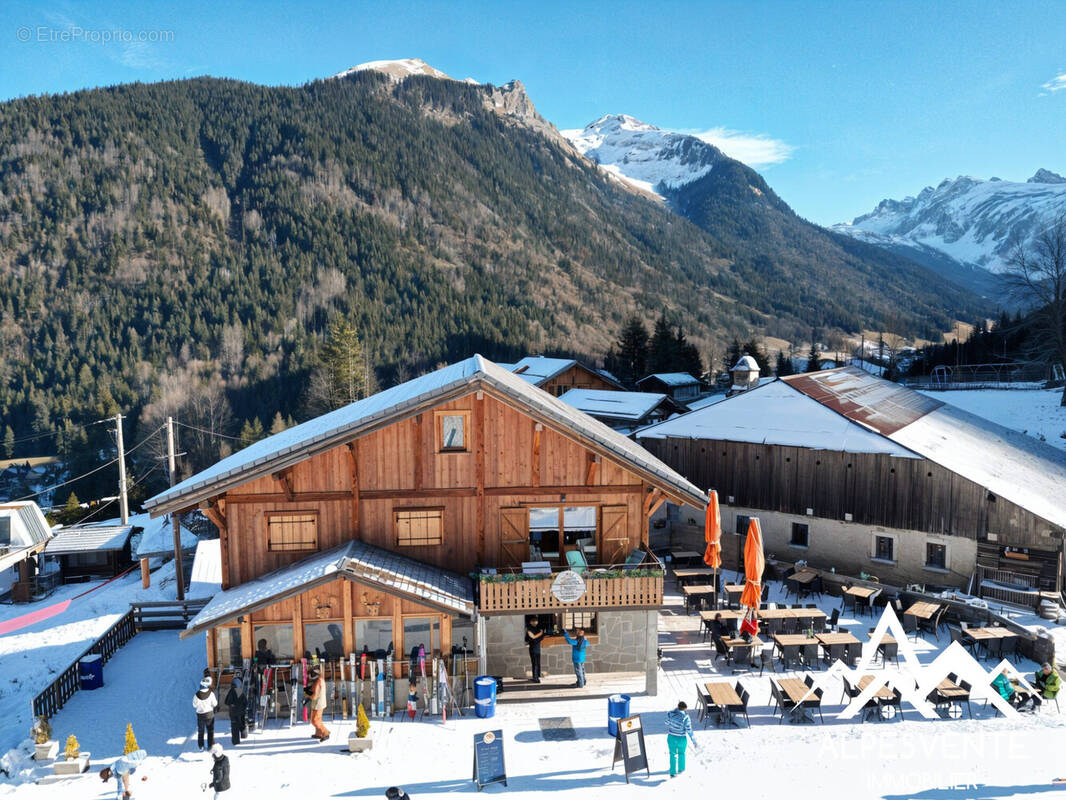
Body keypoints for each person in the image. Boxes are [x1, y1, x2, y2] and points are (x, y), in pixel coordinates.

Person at [665, 701, 697, 777]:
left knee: (672, 754)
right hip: (681, 738)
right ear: (685, 709)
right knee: (681, 753)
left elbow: (666, 723)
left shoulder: (670, 714)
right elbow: (689, 730)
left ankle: (672, 772)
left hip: (671, 737)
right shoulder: (686, 717)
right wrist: (693, 740)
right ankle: (681, 769)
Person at [194, 676, 218, 750]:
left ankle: (201, 746)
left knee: (200, 731)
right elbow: (215, 704)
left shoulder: (197, 694)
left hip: (200, 715)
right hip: (209, 715)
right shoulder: (211, 694)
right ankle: (210, 746)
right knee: (210, 731)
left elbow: (194, 705)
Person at [224, 676, 248, 745]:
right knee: (242, 723)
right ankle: (244, 735)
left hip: (233, 713)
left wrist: (232, 704)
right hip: (241, 712)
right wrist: (243, 708)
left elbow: (226, 702)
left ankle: (235, 741)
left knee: (235, 727)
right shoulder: (239, 691)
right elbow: (245, 702)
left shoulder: (231, 691)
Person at [308, 667, 330, 741]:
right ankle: (318, 733)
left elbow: (314, 696)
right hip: (321, 702)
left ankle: (325, 732)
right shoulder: (321, 679)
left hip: (318, 703)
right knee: (318, 719)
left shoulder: (317, 682)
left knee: (314, 720)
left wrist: (308, 695)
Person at [524, 617, 544, 683]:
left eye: (535, 621)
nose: (534, 622)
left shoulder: (534, 629)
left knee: (536, 663)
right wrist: (540, 634)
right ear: (530, 622)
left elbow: (530, 638)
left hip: (535, 649)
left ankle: (536, 677)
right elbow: (530, 638)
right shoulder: (537, 630)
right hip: (535, 649)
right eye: (533, 621)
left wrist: (531, 637)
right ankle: (536, 677)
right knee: (536, 663)